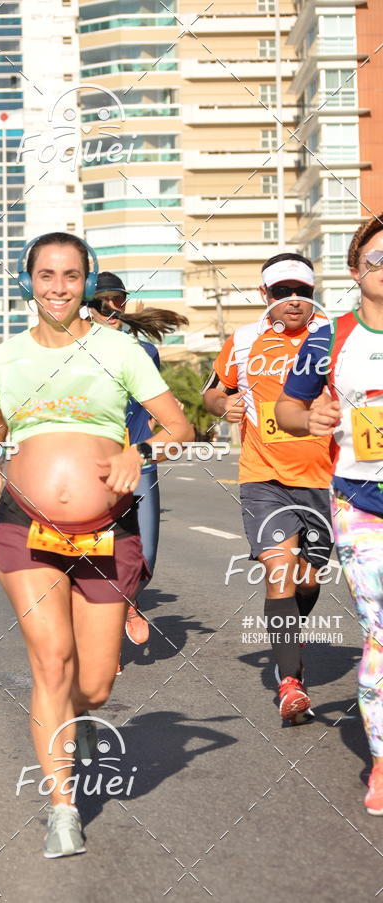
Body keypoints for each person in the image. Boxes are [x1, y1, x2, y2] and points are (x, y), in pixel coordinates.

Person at [0, 232, 193, 857]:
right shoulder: (2, 358)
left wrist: (139, 451)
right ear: (28, 280)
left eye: (71, 276)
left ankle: (82, 720)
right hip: (24, 524)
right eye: (46, 275)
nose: (59, 287)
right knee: (51, 660)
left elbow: (181, 427)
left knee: (93, 684)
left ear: (86, 282)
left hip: (104, 529)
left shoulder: (119, 349)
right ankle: (61, 807)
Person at [275, 214, 383, 814]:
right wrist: (312, 419)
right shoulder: (331, 337)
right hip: (363, 503)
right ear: (355, 269)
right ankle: (382, 763)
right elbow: (290, 410)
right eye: (377, 259)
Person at [203, 252, 334, 724]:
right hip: (264, 475)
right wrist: (224, 406)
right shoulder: (243, 341)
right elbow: (212, 391)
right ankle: (290, 683)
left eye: (302, 290)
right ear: (266, 296)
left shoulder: (335, 337)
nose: (293, 300)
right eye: (283, 292)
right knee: (279, 569)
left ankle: (290, 635)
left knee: (307, 579)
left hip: (324, 479)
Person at [88, 271, 188, 651]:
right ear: (87, 308)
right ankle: (105, 634)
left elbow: (151, 407)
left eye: (118, 299)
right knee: (95, 553)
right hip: (92, 467)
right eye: (102, 301)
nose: (111, 308)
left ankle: (128, 599)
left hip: (139, 462)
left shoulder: (146, 353)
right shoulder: (73, 351)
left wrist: (164, 415)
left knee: (145, 555)